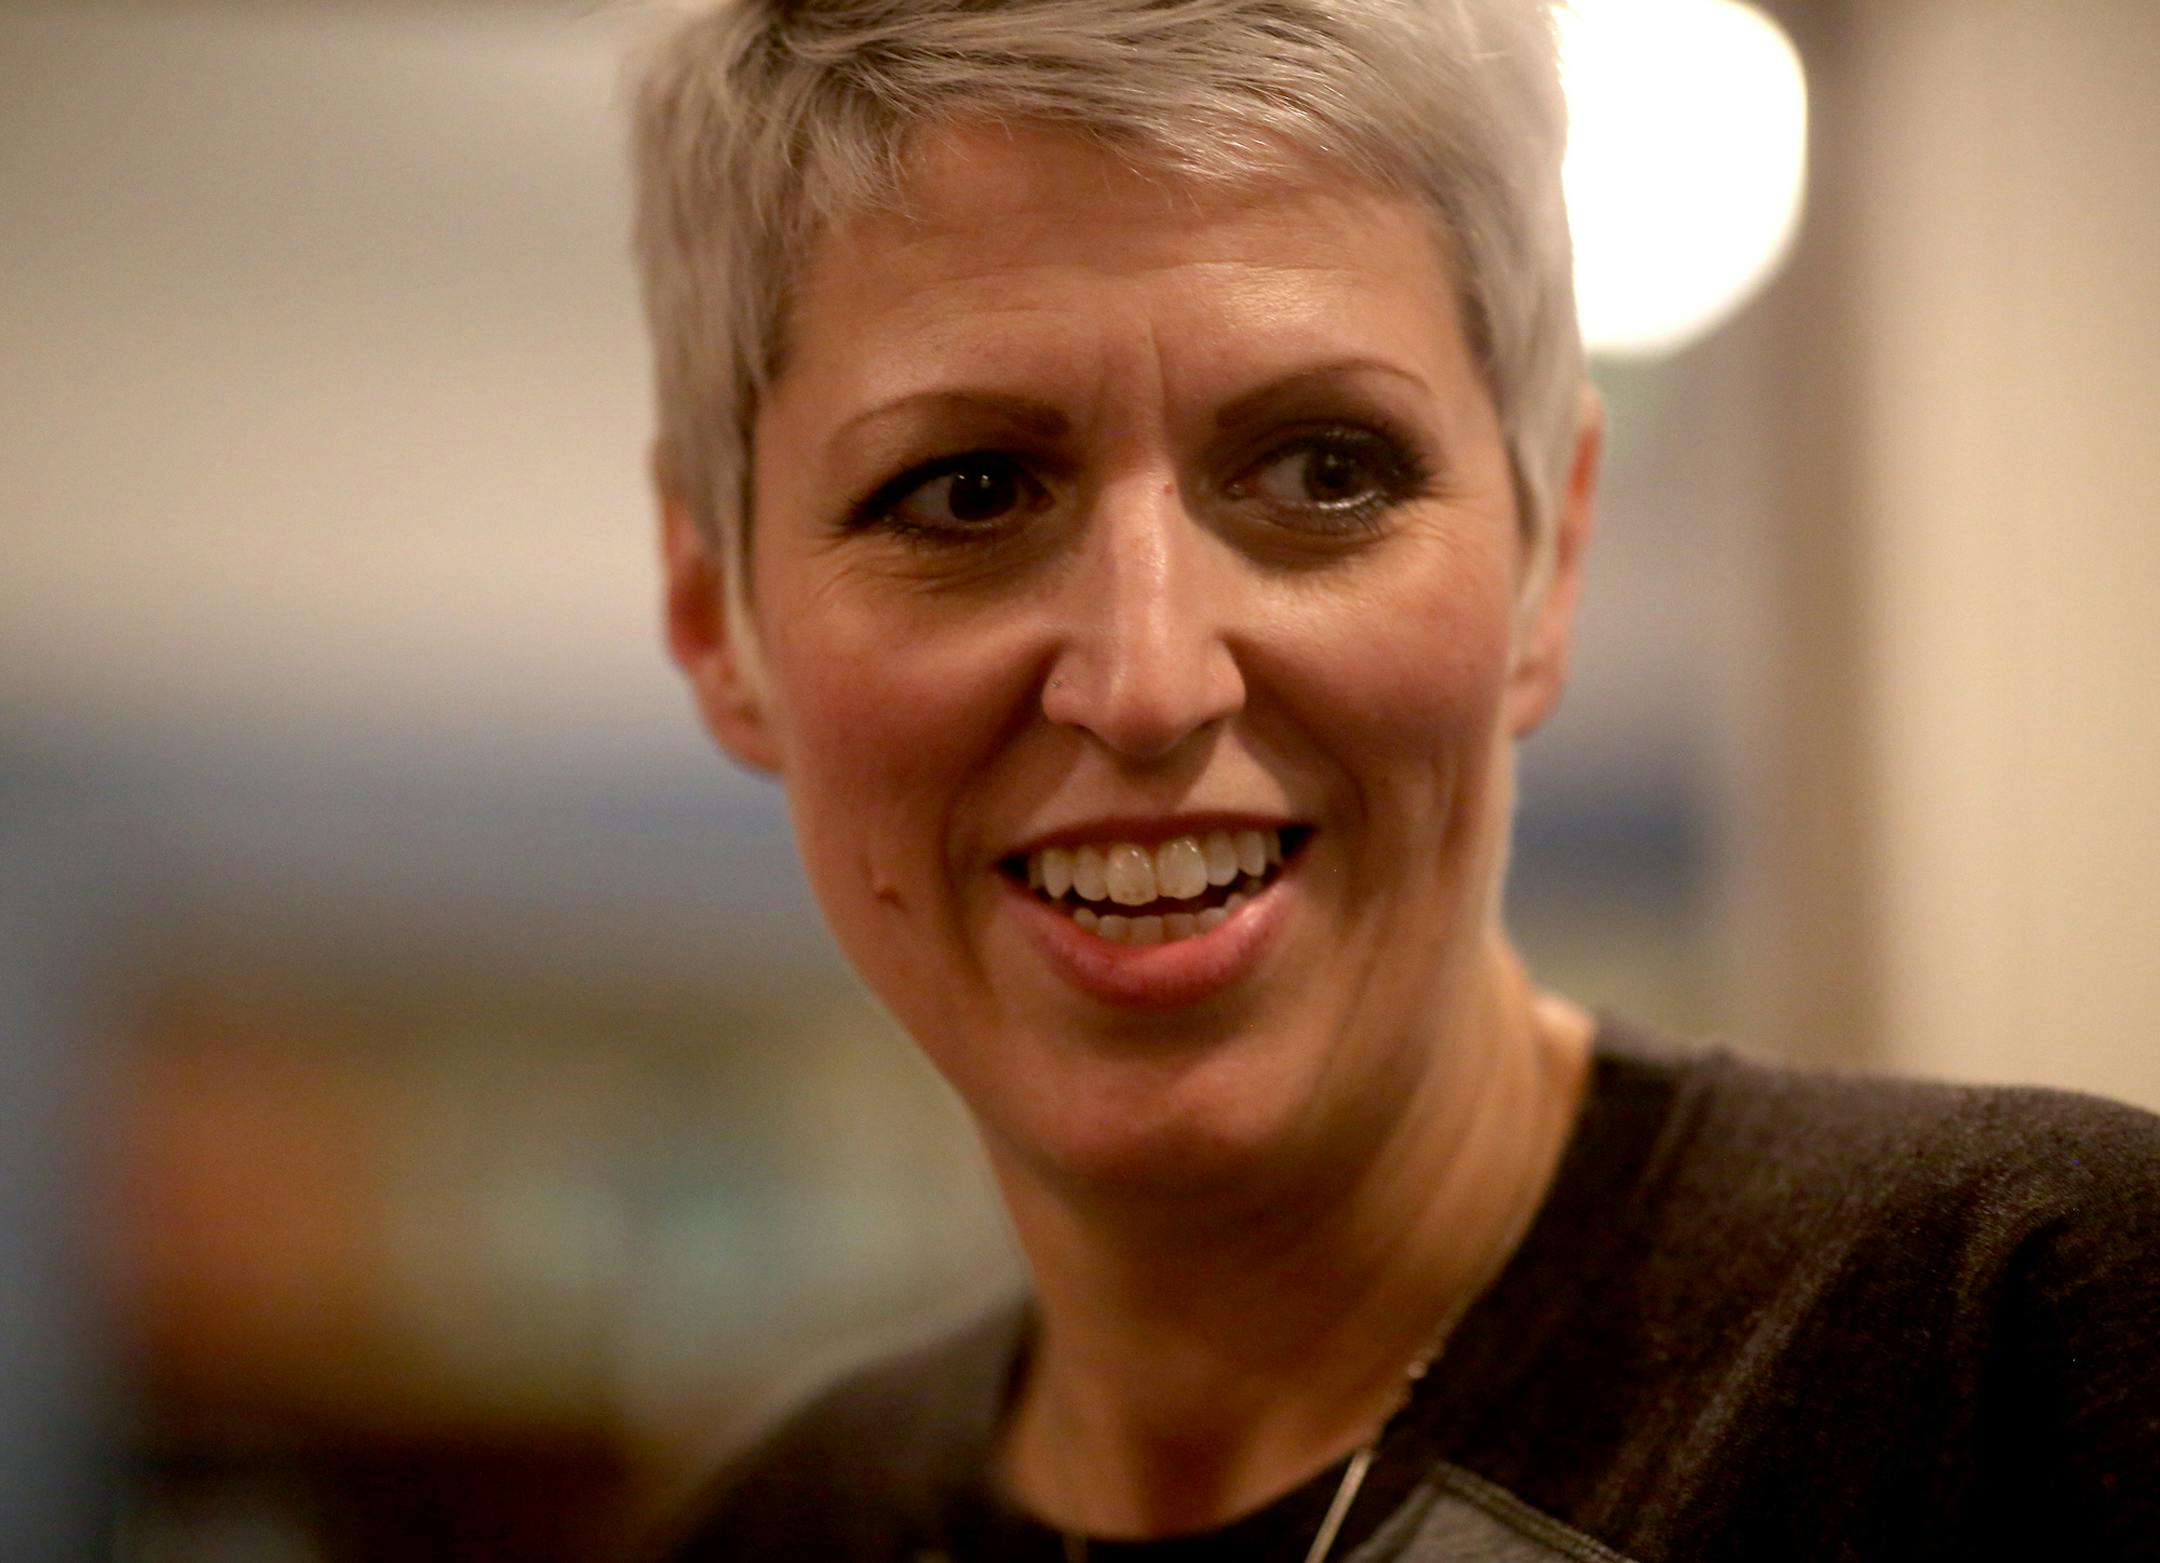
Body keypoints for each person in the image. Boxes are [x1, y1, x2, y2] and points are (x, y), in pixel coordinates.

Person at [626, 1, 2160, 1556]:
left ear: (1549, 558)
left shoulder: (2028, 1355)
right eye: (967, 493)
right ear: (714, 614)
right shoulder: (778, 1529)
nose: (1152, 682)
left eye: (1324, 472)